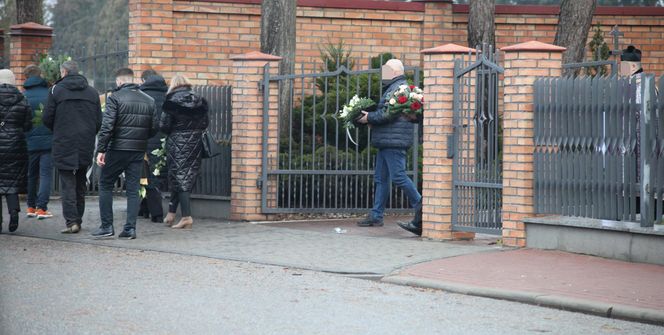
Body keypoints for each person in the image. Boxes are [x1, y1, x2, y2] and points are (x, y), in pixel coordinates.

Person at [356, 59, 423, 236]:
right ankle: (376, 215)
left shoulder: (400, 89)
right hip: (387, 140)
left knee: (398, 176)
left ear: (394, 71)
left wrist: (369, 117)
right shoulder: (395, 88)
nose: (383, 74)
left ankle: (421, 206)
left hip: (394, 141)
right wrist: (370, 119)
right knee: (381, 178)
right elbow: (388, 114)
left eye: (386, 70)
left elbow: (388, 115)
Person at [92, 68, 157, 240]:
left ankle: (106, 226)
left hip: (117, 149)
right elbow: (153, 128)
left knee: (105, 184)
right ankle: (130, 228)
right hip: (137, 150)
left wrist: (101, 150)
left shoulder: (115, 98)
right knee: (133, 189)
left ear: (119, 82)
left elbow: (107, 127)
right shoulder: (149, 100)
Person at [43, 60, 102, 234]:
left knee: (67, 183)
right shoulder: (92, 92)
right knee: (80, 183)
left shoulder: (56, 90)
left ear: (64, 72)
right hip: (85, 142)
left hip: (64, 141)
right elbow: (98, 120)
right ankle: (78, 219)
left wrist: (59, 129)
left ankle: (71, 222)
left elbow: (47, 117)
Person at [161, 75, 209, 229]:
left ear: (174, 85)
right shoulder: (200, 100)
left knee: (180, 178)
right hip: (195, 143)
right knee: (184, 177)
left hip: (177, 143)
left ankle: (187, 217)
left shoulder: (171, 102)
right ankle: (171, 213)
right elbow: (205, 123)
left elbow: (164, 126)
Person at [0, 69, 32, 233]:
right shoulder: (22, 100)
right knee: (10, 182)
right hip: (16, 144)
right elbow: (28, 125)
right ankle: (14, 213)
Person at [23, 65, 54, 220]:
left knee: (31, 175)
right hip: (48, 140)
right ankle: (42, 208)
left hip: (29, 141)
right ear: (40, 75)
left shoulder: (24, 95)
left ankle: (30, 206)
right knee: (46, 174)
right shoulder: (49, 94)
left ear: (26, 77)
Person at [138, 69, 167, 223]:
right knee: (156, 175)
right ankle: (145, 209)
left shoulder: (142, 96)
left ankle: (155, 213)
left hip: (144, 141)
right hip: (162, 142)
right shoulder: (167, 97)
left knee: (144, 176)